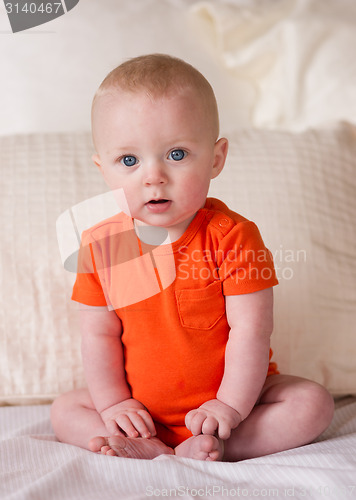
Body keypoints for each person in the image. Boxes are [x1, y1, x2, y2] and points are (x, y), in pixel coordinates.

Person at [51, 54, 334, 462]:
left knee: (312, 404)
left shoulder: (233, 237)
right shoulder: (103, 245)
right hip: (141, 411)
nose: (154, 176)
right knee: (65, 411)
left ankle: (216, 444)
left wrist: (230, 407)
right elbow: (98, 335)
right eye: (129, 161)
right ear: (104, 170)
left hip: (234, 404)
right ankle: (148, 443)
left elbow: (251, 331)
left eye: (177, 154)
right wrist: (114, 405)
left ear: (216, 158)